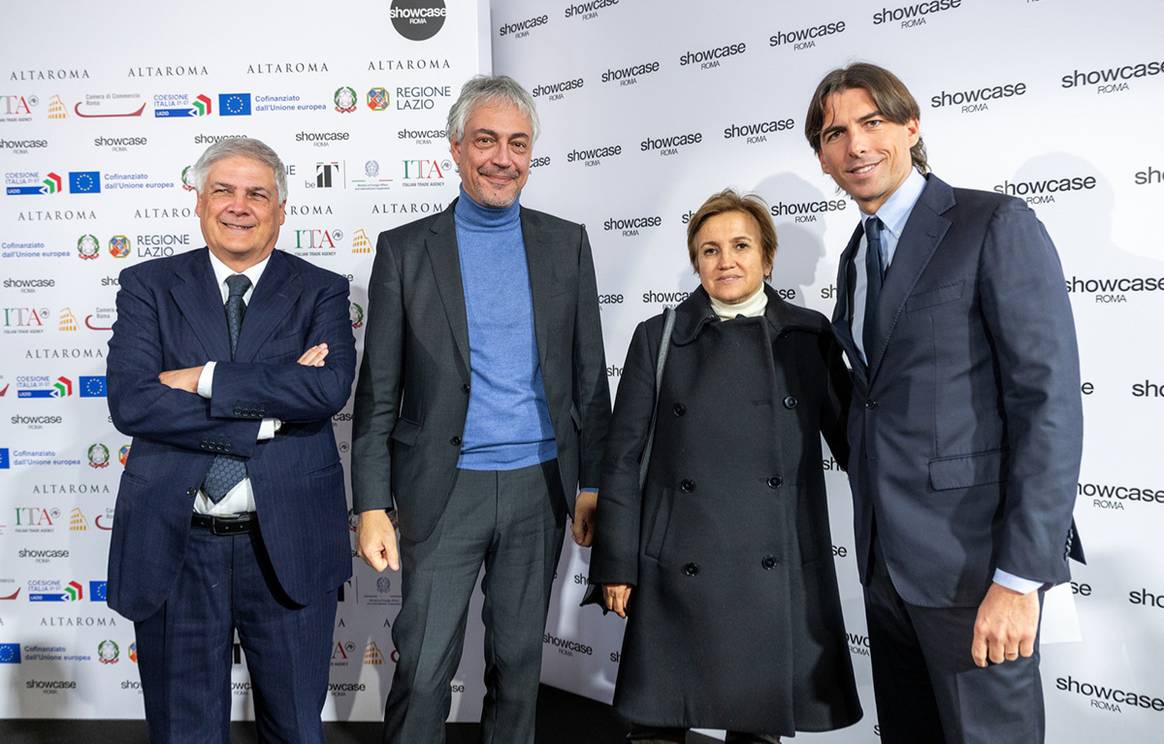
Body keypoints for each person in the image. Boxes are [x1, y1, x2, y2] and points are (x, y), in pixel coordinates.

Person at [803, 62, 1084, 744]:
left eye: (872, 123)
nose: (857, 146)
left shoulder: (992, 223)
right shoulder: (853, 256)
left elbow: (1046, 403)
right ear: (822, 156)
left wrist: (1020, 578)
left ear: (911, 126)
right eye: (836, 133)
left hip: (976, 568)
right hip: (886, 568)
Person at [350, 74, 611, 744]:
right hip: (443, 488)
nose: (503, 158)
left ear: (532, 154)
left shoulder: (567, 243)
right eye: (487, 141)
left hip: (539, 486)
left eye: (518, 144)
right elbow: (380, 390)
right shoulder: (406, 250)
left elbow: (588, 382)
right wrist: (371, 502)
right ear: (456, 149)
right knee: (427, 665)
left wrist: (590, 484)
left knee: (519, 665)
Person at [105, 137, 356, 742]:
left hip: (289, 543)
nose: (239, 206)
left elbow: (326, 391)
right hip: (177, 545)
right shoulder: (148, 285)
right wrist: (265, 412)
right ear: (198, 201)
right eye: (223, 190)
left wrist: (204, 379)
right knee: (183, 732)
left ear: (281, 209)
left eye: (257, 194)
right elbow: (134, 401)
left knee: (296, 728)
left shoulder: (321, 287)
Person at [588, 190, 862, 743]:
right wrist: (616, 564)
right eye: (710, 250)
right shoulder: (657, 335)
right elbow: (623, 458)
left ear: (768, 256)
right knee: (657, 725)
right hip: (674, 566)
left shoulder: (807, 337)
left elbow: (857, 441)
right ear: (696, 263)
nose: (726, 261)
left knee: (755, 726)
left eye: (741, 246)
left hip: (771, 565)